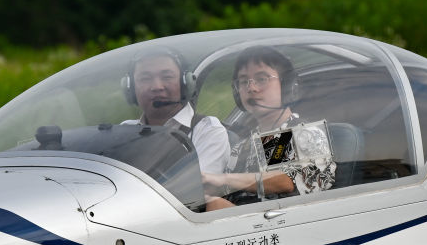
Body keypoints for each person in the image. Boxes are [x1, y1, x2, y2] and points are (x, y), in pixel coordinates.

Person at [203, 46, 335, 210]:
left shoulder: (306, 134)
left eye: (262, 79)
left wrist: (222, 179)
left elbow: (286, 181)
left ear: (286, 86)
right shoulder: (241, 147)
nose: (252, 88)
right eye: (244, 82)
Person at [121, 48, 230, 174]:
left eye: (167, 77)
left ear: (186, 83)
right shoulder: (124, 131)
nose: (157, 87)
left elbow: (196, 189)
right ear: (131, 88)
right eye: (145, 78)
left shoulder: (207, 131)